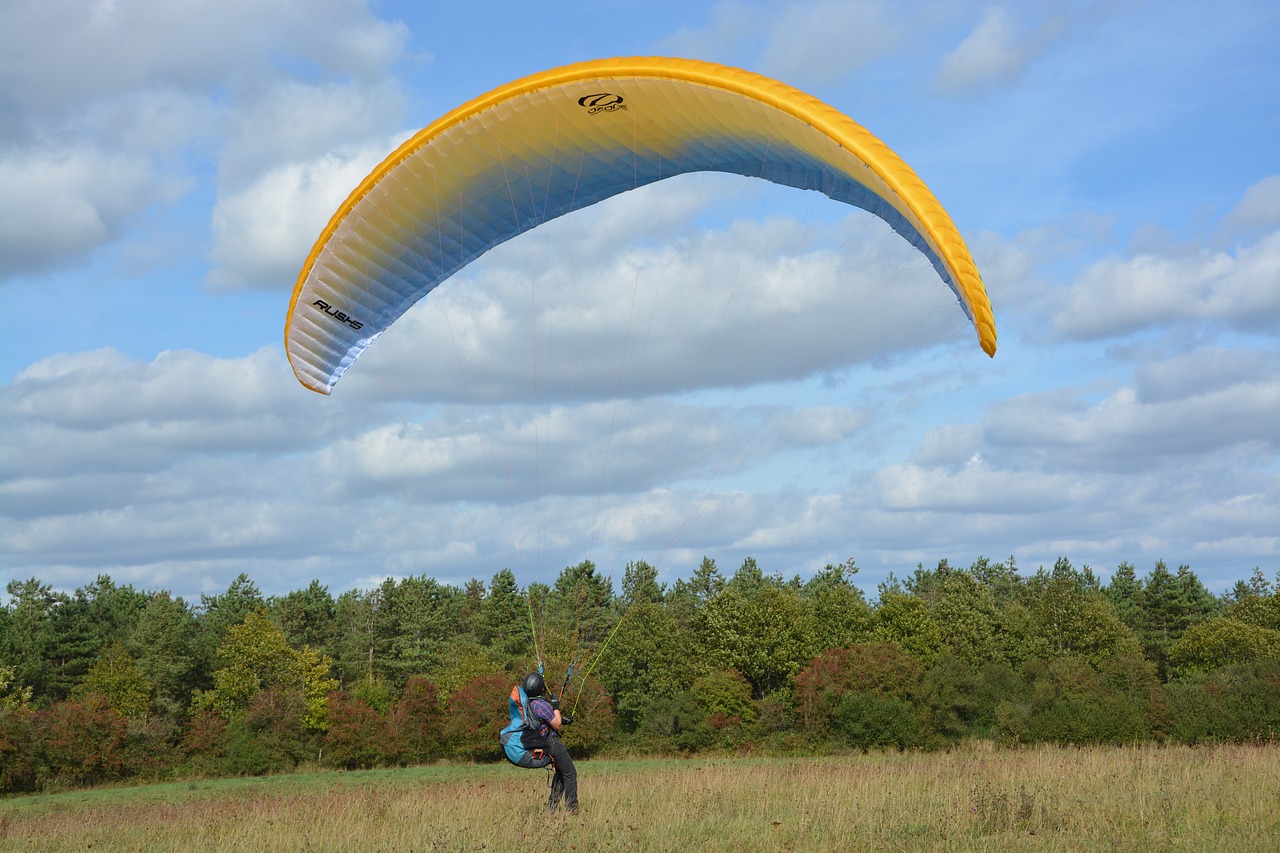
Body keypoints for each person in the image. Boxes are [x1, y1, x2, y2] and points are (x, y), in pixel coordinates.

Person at [499, 671, 578, 813]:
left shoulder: (527, 703)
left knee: (561, 772)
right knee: (570, 773)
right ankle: (572, 809)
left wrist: (563, 719)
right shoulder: (542, 705)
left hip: (536, 742)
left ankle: (551, 810)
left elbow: (543, 721)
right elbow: (557, 724)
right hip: (550, 743)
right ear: (541, 688)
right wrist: (556, 706)